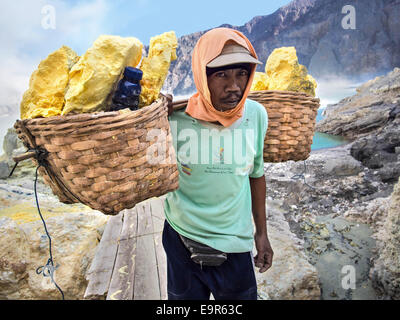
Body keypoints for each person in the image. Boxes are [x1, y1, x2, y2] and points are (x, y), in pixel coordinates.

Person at [162, 27, 273, 300]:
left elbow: (256, 175)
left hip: (234, 245)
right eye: (221, 74)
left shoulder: (256, 115)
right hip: (181, 238)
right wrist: (150, 111)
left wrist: (262, 234)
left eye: (242, 74)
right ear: (202, 75)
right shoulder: (174, 119)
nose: (234, 86)